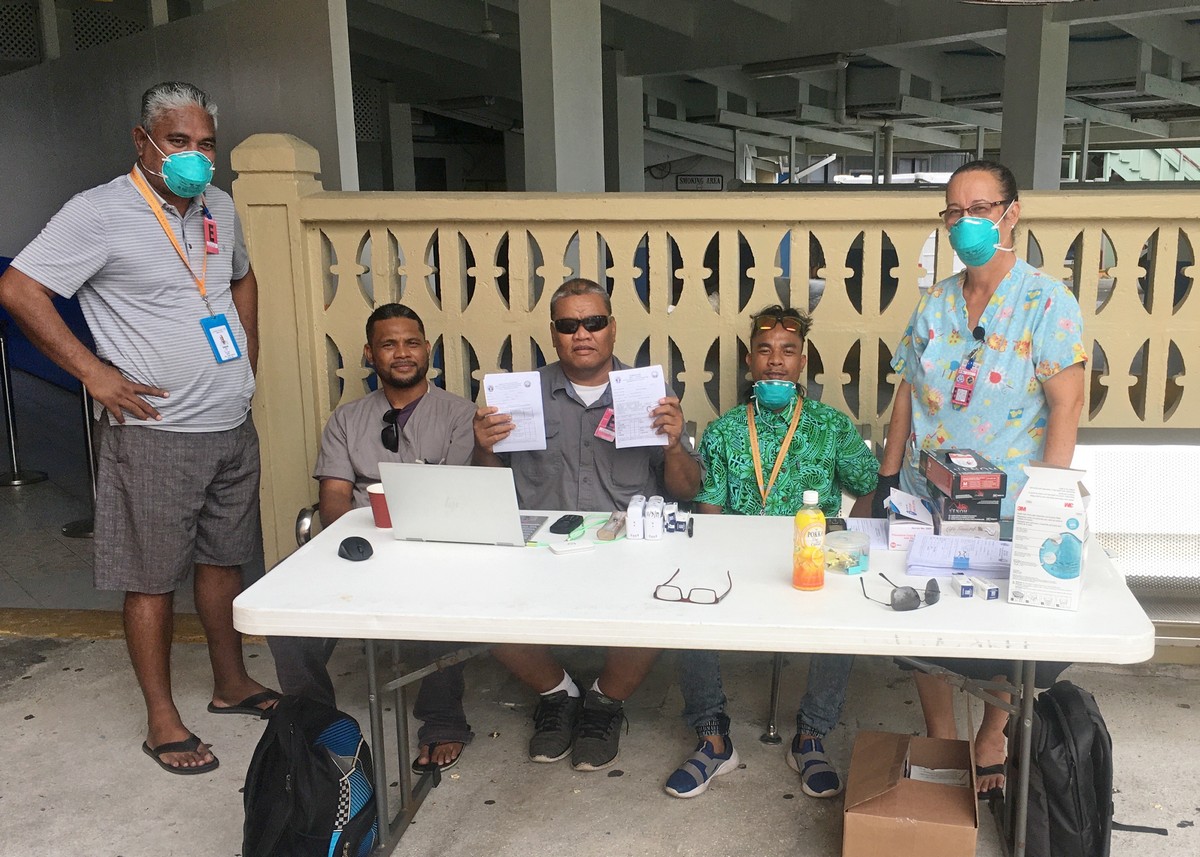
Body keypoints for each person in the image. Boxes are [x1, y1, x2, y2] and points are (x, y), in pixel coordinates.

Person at [0, 82, 278, 774]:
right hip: (154, 431)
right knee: (151, 577)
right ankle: (162, 719)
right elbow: (19, 288)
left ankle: (230, 683)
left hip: (229, 422)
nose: (195, 156)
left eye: (205, 142)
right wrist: (92, 371)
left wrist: (248, 353)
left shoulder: (219, 206)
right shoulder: (98, 213)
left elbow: (242, 279)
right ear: (143, 141)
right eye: (179, 141)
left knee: (225, 559)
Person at [870, 159, 1086, 797]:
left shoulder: (1047, 303)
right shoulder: (935, 304)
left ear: (1010, 214)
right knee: (922, 619)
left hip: (1009, 502)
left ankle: (993, 730)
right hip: (924, 494)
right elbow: (907, 393)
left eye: (980, 209)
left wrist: (1050, 495)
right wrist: (887, 479)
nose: (966, 223)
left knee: (996, 629)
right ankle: (941, 732)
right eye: (954, 212)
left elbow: (1067, 404)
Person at [472, 277, 703, 772]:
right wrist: (485, 446)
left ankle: (603, 703)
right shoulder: (521, 394)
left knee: (662, 605)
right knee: (477, 603)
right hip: (539, 545)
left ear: (612, 329)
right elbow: (488, 493)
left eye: (593, 322)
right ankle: (558, 694)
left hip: (625, 544)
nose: (583, 333)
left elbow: (686, 490)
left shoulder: (648, 394)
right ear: (553, 334)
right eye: (569, 324)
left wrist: (672, 443)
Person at [664, 306, 879, 799]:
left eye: (787, 351)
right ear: (749, 361)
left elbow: (867, 484)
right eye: (764, 350)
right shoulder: (724, 432)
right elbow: (710, 509)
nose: (775, 361)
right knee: (686, 604)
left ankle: (811, 735)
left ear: (802, 362)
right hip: (741, 564)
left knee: (845, 607)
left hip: (809, 559)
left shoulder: (831, 427)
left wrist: (852, 538)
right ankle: (712, 737)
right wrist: (707, 570)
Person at [267, 302, 477, 772]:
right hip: (360, 544)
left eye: (411, 342)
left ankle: (443, 720)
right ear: (369, 354)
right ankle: (318, 721)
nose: (402, 353)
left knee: (447, 597)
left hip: (436, 547)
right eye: (388, 344)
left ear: (427, 350)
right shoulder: (348, 419)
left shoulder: (461, 415)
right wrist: (356, 543)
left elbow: (461, 497)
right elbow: (335, 497)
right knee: (282, 611)